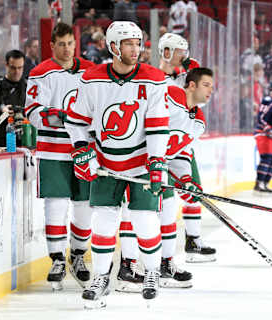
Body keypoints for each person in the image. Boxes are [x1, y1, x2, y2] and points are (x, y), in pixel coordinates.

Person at [65, 21, 169, 307]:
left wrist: (157, 162)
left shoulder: (154, 78)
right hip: (106, 163)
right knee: (103, 220)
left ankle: (151, 272)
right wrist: (83, 149)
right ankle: (101, 277)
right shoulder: (92, 79)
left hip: (140, 163)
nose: (136, 49)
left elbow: (158, 126)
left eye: (138, 43)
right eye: (128, 44)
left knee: (144, 220)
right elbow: (76, 121)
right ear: (113, 47)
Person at [24, 23, 95, 290]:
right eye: (61, 44)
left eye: (70, 43)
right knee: (55, 204)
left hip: (84, 149)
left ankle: (78, 255)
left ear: (76, 44)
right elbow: (31, 111)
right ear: (52, 45)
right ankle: (56, 259)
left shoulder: (91, 71)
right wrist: (59, 117)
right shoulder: (41, 73)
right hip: (52, 149)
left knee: (84, 204)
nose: (66, 49)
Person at [157, 32, 216, 262]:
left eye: (185, 51)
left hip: (182, 143)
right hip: (158, 145)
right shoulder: (154, 78)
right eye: (179, 51)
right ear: (167, 51)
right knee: (165, 202)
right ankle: (161, 258)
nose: (184, 56)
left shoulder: (185, 77)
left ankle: (193, 240)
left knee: (193, 191)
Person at [0, 50, 27, 147]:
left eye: (20, 68)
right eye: (13, 68)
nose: (17, 72)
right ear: (6, 65)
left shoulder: (27, 86)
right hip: (0, 140)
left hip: (24, 139)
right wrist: (1, 110)